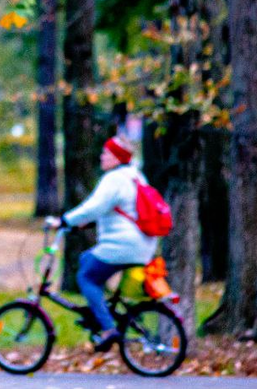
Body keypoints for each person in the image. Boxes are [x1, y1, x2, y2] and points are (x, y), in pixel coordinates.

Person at [49, 135, 158, 351]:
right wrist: (85, 225)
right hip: (142, 243)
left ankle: (108, 328)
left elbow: (94, 207)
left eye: (106, 153)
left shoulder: (114, 179)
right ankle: (100, 314)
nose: (102, 156)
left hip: (123, 245)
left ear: (117, 158)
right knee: (86, 259)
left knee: (86, 276)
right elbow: (120, 210)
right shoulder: (135, 175)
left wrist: (64, 221)